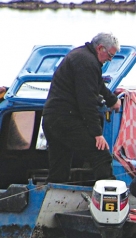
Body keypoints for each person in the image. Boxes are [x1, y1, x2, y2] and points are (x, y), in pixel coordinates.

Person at [42, 32, 121, 183]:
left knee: (60, 165)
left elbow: (97, 85)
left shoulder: (81, 56)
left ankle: (53, 200)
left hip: (51, 118)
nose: (110, 60)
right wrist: (97, 134)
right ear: (100, 48)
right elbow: (87, 102)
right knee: (101, 153)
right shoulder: (87, 63)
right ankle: (109, 195)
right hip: (66, 119)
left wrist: (112, 100)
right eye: (110, 55)